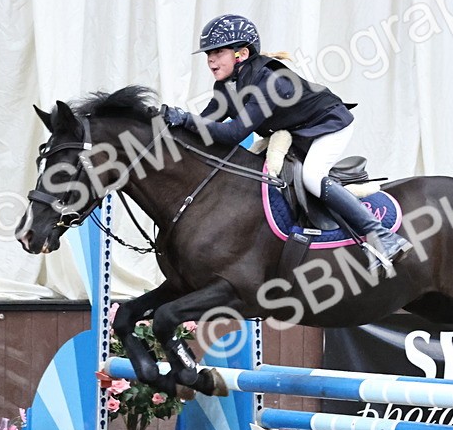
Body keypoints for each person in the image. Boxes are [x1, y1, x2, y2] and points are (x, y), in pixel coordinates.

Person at [161, 14, 411, 270]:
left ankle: (381, 235)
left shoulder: (269, 82)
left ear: (242, 54)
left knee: (312, 177)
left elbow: (234, 133)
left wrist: (186, 118)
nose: (211, 59)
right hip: (296, 131)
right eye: (208, 53)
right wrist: (168, 127)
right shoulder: (226, 86)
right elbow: (204, 128)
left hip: (328, 125)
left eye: (218, 51)